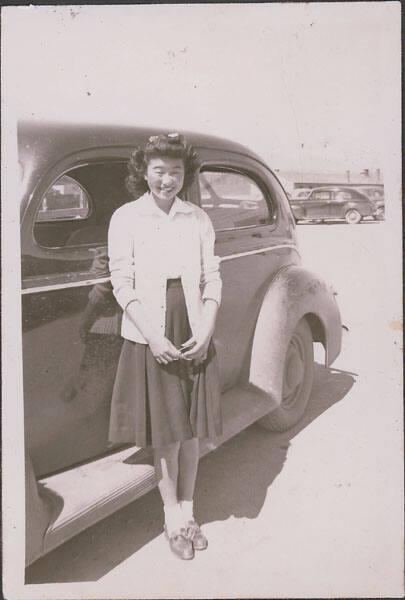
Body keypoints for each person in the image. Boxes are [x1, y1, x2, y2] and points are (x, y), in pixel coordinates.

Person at [107, 133, 223, 560]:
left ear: (184, 175)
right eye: (159, 171)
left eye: (175, 172)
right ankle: (171, 519)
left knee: (190, 433)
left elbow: (212, 276)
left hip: (193, 328)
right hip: (150, 333)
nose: (167, 180)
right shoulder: (125, 218)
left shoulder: (197, 218)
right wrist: (154, 336)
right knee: (167, 437)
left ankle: (189, 514)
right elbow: (121, 282)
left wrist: (208, 326)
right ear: (144, 172)